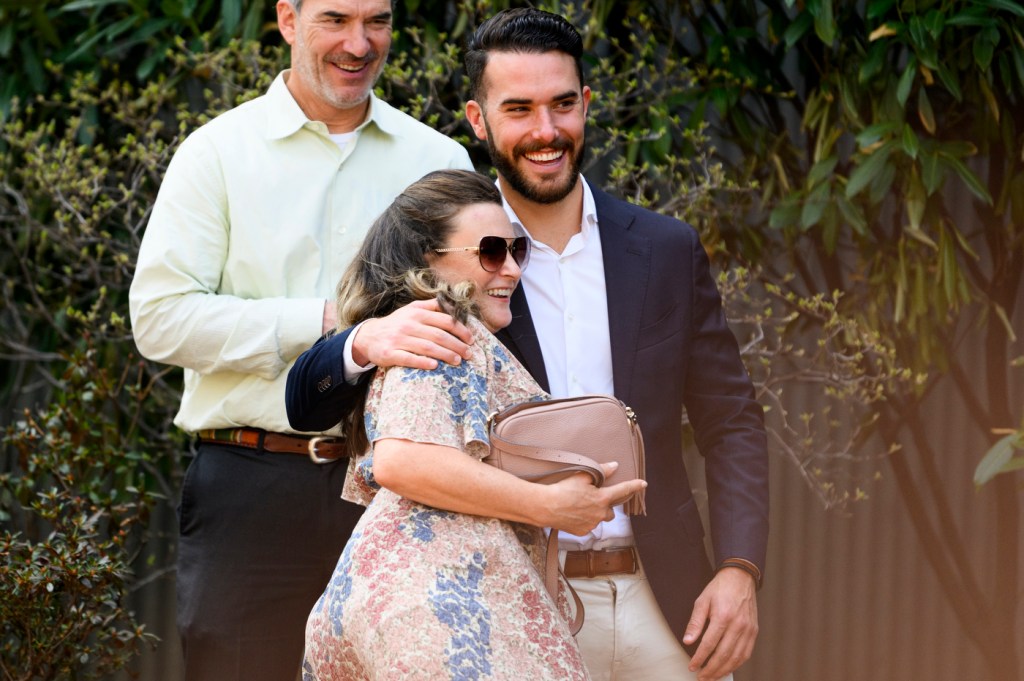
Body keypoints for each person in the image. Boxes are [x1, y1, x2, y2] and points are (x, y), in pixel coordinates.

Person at [286, 8, 769, 681]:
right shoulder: (460, 261)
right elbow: (306, 396)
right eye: (519, 108)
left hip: (666, 596)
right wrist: (366, 337)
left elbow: (733, 421)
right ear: (479, 120)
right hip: (511, 600)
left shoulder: (666, 249)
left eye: (562, 104)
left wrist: (740, 569)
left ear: (586, 106)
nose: (546, 130)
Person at [127, 0, 475, 677]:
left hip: (396, 489)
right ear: (287, 19)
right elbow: (160, 317)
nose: (359, 43)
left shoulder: (438, 161)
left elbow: (472, 321)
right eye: (336, 19)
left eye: (377, 20)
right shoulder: (216, 154)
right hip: (250, 487)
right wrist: (327, 322)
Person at [300, 169, 646, 680]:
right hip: (440, 613)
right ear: (429, 260)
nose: (510, 269)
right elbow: (403, 460)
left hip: (407, 604)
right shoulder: (444, 328)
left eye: (517, 251)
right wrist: (550, 505)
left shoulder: (422, 331)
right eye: (490, 252)